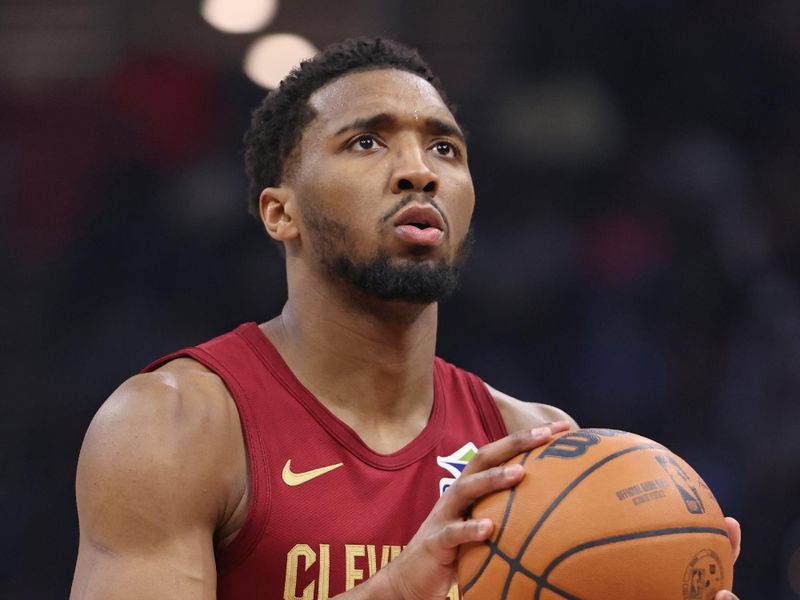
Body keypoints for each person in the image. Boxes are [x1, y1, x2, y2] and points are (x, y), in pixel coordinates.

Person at [70, 38, 740, 599]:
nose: (419, 171)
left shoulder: (533, 447)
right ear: (281, 212)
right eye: (366, 142)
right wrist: (391, 591)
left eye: (445, 149)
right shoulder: (171, 426)